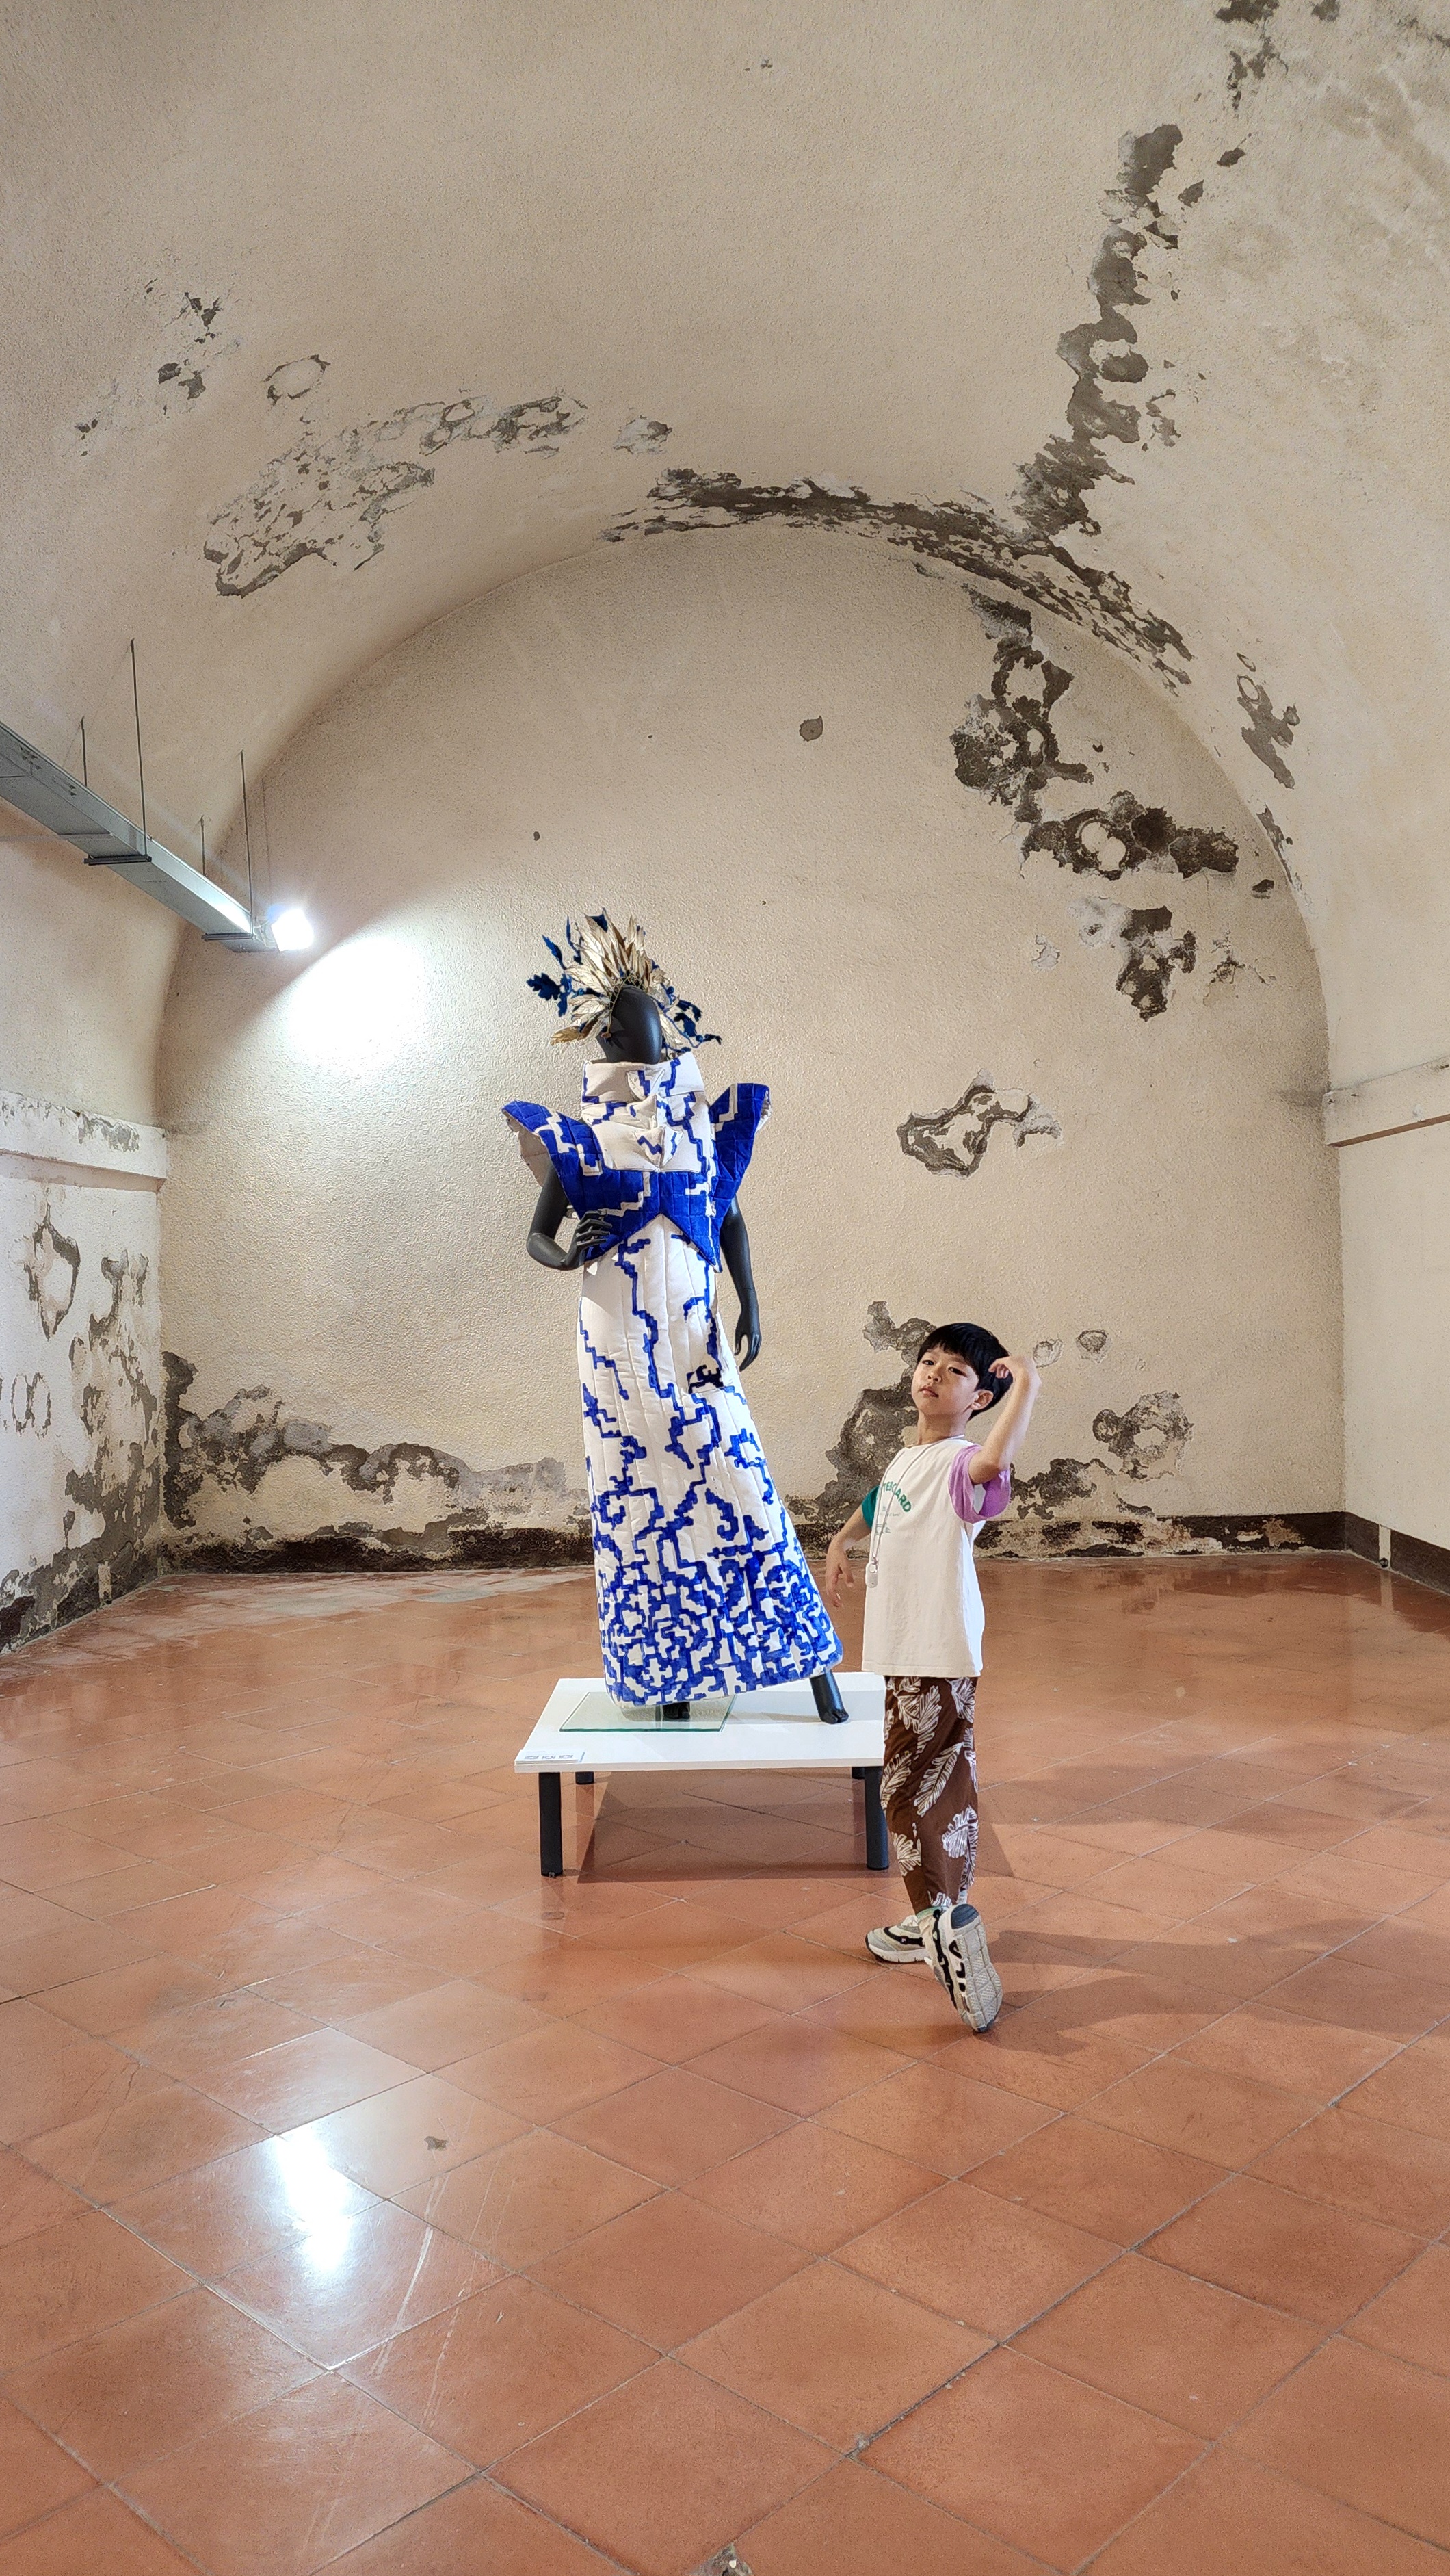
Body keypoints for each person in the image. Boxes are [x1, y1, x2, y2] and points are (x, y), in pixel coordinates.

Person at [503, 913, 843, 1717]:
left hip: (694, 1329)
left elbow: (729, 1219)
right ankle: (671, 1674)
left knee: (737, 1476)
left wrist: (751, 1302)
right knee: (638, 1492)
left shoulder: (701, 1129)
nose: (647, 1032)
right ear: (605, 1036)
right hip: (615, 1335)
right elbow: (538, 1236)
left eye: (651, 1017)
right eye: (628, 1023)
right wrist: (565, 1254)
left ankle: (802, 1659)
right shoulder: (580, 1139)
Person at [824, 1325, 1040, 2029]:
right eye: (927, 1362)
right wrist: (841, 1540)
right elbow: (880, 1502)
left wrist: (1027, 1387)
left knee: (903, 1791)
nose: (932, 1374)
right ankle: (942, 1915)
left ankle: (941, 1929)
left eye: (954, 1372)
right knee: (943, 1783)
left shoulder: (963, 1461)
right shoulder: (908, 1457)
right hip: (915, 1652)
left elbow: (993, 1463)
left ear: (979, 1399)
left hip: (930, 1652)